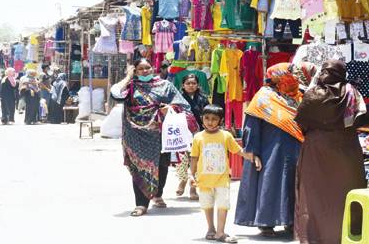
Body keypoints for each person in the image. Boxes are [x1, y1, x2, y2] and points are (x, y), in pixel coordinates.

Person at [235, 62, 317, 237]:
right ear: (279, 76)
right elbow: (252, 123)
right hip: (270, 150)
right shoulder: (264, 96)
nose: (295, 77)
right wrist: (252, 150)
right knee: (271, 182)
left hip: (297, 147)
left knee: (293, 184)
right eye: (291, 73)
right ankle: (266, 222)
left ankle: (290, 221)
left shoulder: (298, 95)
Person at [110, 58, 197, 216]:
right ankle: (141, 204)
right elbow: (115, 94)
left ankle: (157, 194)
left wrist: (170, 108)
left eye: (148, 68)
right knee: (140, 167)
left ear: (153, 68)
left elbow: (183, 105)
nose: (145, 71)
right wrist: (128, 77)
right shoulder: (130, 86)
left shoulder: (164, 85)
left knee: (161, 165)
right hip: (135, 135)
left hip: (159, 135)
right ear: (135, 71)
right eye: (141, 69)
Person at [294, 60, 367, 244]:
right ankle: (349, 236)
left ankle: (314, 237)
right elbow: (360, 120)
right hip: (346, 149)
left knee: (314, 196)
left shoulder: (312, 94)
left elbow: (301, 120)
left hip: (316, 150)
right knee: (345, 192)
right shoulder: (352, 92)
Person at [190, 105, 261, 243]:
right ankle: (211, 229)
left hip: (222, 180)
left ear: (220, 121)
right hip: (204, 180)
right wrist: (192, 175)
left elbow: (239, 151)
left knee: (223, 204)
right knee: (207, 205)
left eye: (214, 119)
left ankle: (220, 232)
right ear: (202, 119)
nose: (210, 122)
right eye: (207, 118)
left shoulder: (226, 136)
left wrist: (254, 157)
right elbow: (194, 158)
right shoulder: (198, 137)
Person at [175, 73, 209, 200]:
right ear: (183, 85)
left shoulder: (203, 99)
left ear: (197, 85)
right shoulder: (177, 99)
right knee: (182, 160)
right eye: (188, 83)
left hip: (198, 133)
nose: (191, 85)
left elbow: (208, 115)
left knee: (196, 161)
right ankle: (182, 181)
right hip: (182, 133)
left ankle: (193, 187)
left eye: (193, 83)